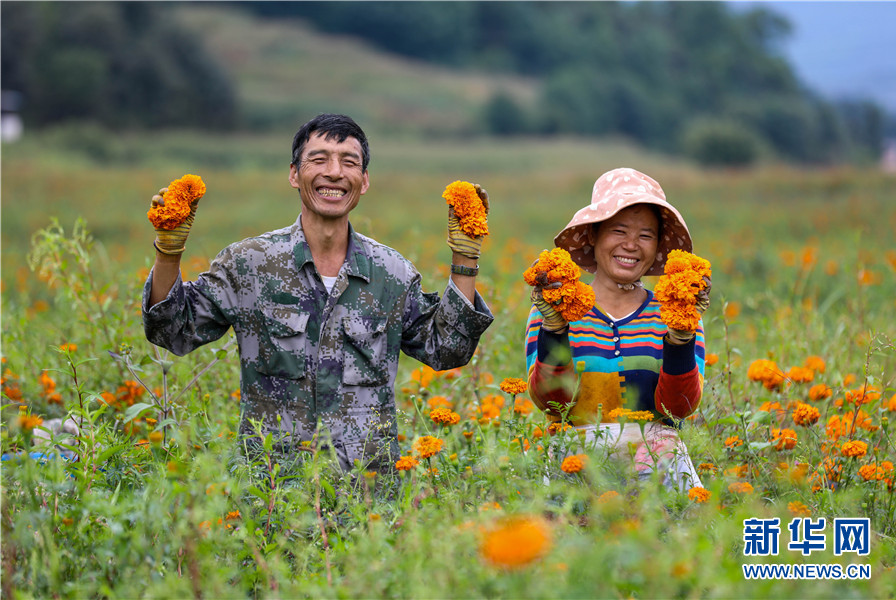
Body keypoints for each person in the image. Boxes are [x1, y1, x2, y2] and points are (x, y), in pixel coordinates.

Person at [143, 113, 493, 474]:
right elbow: (172, 331)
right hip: (274, 495)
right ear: (294, 174)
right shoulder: (250, 264)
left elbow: (448, 349)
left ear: (365, 181)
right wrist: (168, 250)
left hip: (367, 499)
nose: (335, 173)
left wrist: (466, 255)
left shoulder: (391, 273)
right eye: (319, 159)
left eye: (349, 162)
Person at [525, 167, 708, 491]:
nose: (631, 245)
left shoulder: (677, 311)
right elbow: (552, 402)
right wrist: (555, 328)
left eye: (646, 235)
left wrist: (680, 340)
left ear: (657, 246)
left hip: (658, 468)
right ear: (593, 235)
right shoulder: (554, 308)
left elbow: (680, 407)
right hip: (575, 468)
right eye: (619, 231)